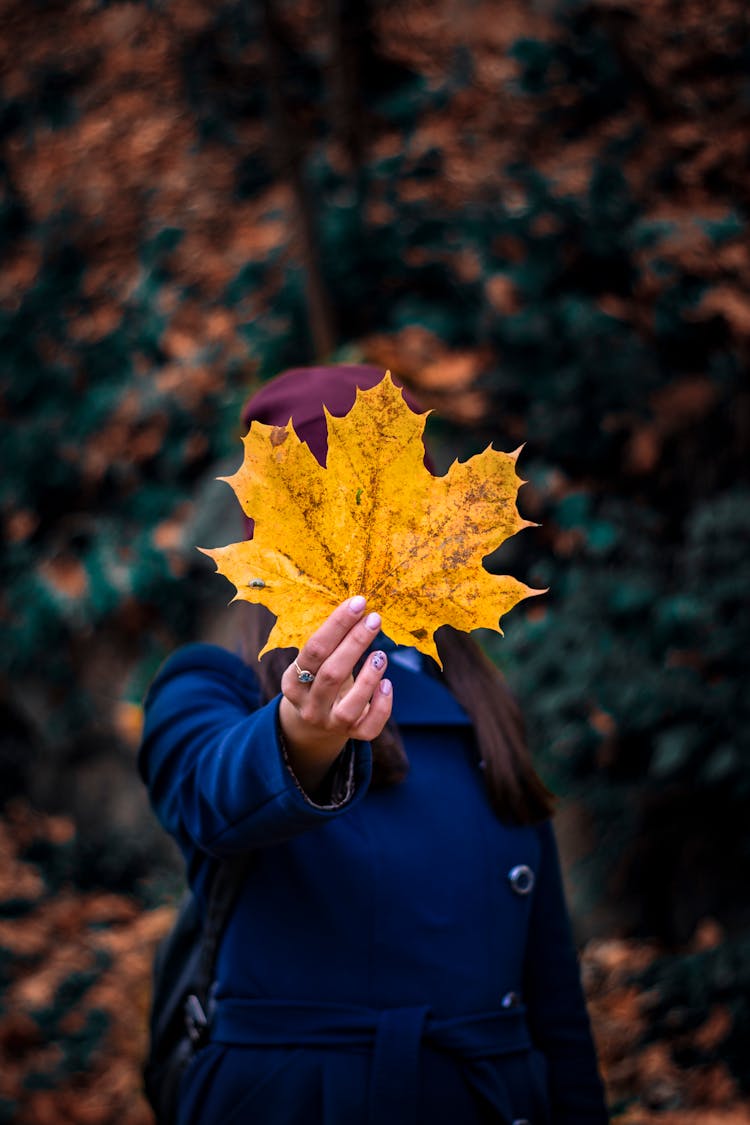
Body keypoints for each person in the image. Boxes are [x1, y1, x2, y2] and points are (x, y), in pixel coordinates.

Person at [139, 365, 609, 1125]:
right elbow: (204, 791)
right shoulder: (213, 686)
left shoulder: (481, 707)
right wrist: (300, 738)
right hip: (296, 1103)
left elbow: (551, 991)